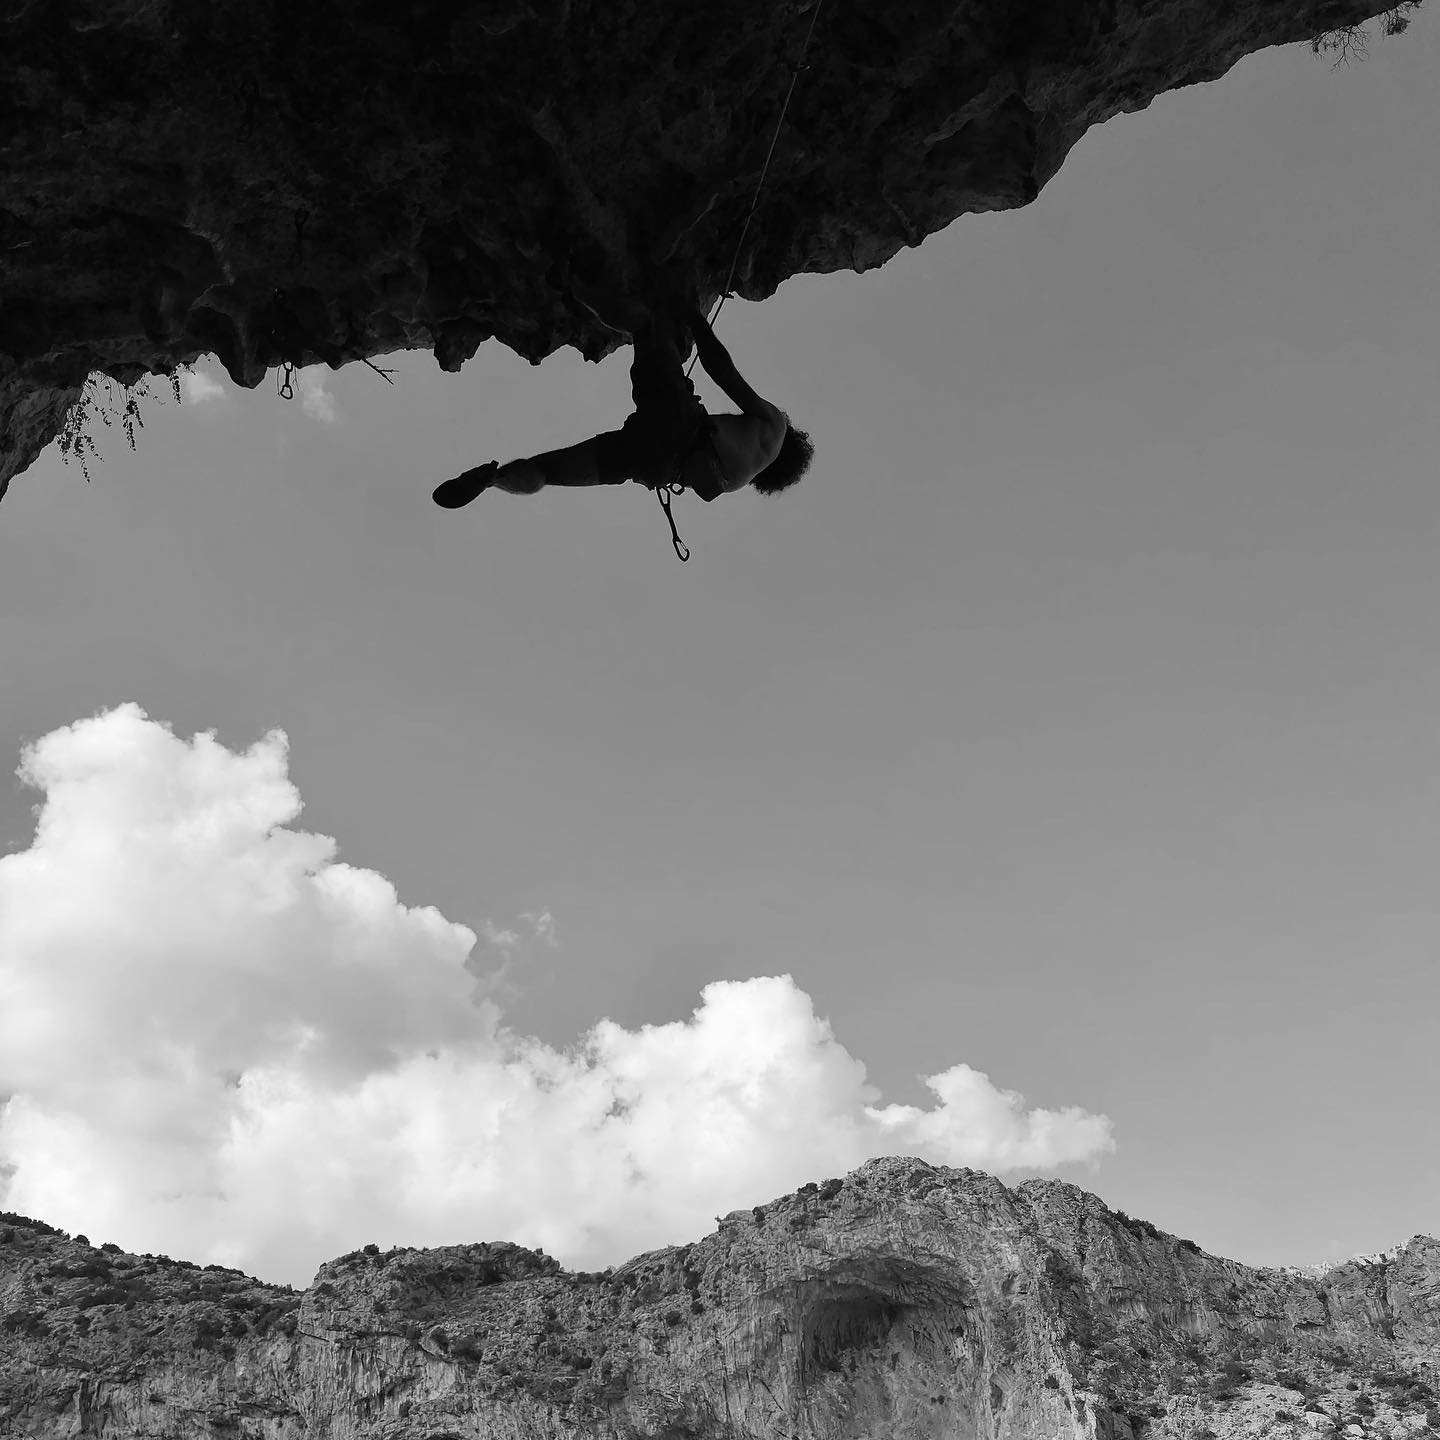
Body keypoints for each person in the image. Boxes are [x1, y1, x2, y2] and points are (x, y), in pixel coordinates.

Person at [431, 293, 813, 509]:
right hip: (655, 466)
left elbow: (723, 373)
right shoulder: (739, 478)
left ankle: (577, 282)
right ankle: (494, 480)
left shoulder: (775, 427)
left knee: (646, 326)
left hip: (678, 423)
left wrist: (696, 319)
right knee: (545, 472)